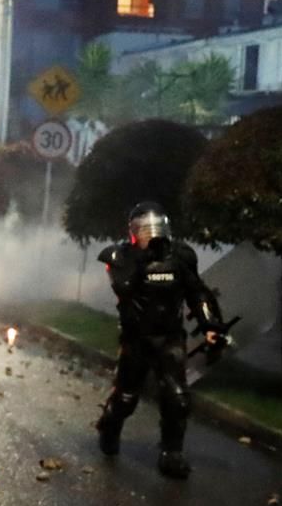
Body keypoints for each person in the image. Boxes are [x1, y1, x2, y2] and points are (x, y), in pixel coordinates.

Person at [94, 200, 227, 479]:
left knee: (177, 397)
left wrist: (210, 325)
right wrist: (145, 262)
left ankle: (172, 452)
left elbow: (197, 292)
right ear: (134, 232)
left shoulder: (180, 257)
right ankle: (109, 425)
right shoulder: (121, 258)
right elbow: (124, 287)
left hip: (169, 337)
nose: (152, 235)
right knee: (126, 398)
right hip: (136, 338)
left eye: (156, 229)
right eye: (145, 230)